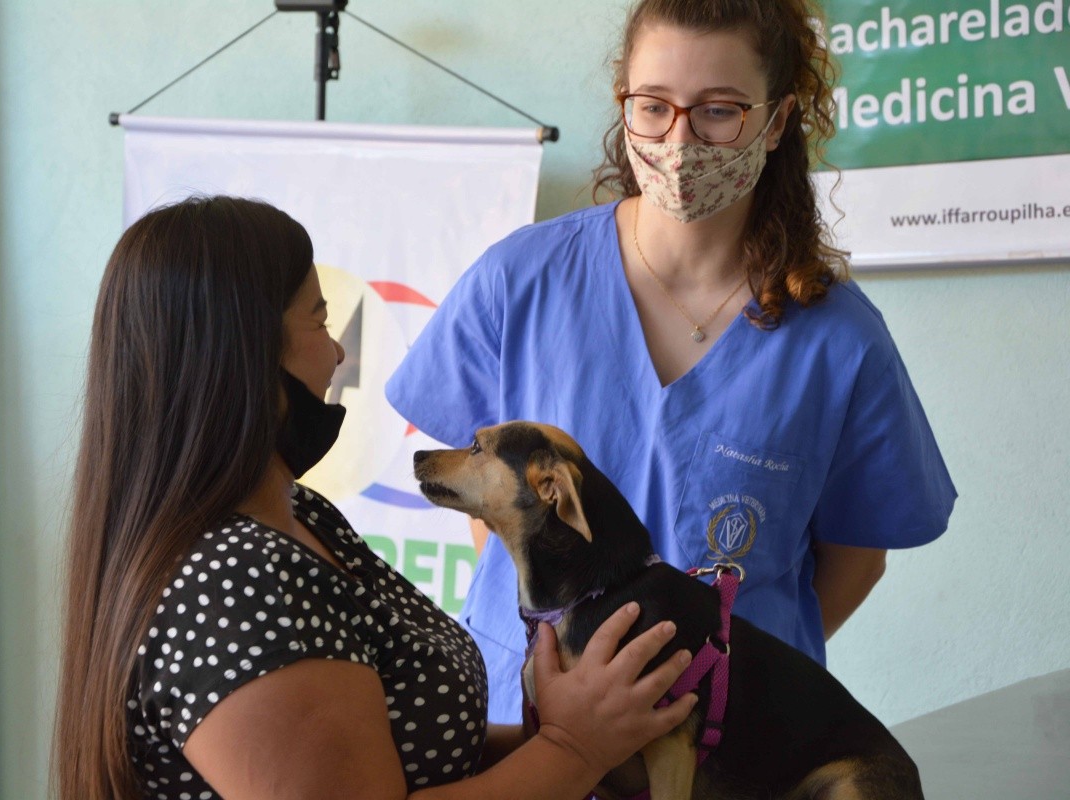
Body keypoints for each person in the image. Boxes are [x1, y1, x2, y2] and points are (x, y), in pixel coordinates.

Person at [386, 0, 956, 725]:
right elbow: (492, 501)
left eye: (719, 111)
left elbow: (855, 559)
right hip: (525, 720)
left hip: (728, 736)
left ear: (778, 122)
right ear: (625, 103)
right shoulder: (520, 281)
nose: (680, 141)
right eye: (653, 106)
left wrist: (711, 668)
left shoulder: (839, 339)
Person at [51, 196, 698, 800]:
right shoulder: (234, 584)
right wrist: (570, 749)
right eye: (318, 319)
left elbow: (414, 757)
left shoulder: (302, 518)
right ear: (243, 352)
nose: (336, 352)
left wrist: (566, 734)